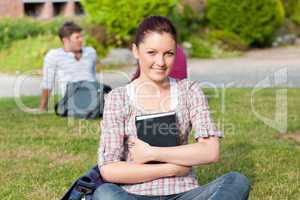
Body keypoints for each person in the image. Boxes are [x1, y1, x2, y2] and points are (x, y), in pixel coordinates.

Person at [93, 16, 250, 200]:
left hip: (184, 193)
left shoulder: (189, 90)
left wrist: (152, 153)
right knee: (105, 194)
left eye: (169, 53)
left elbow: (210, 151)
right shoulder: (118, 98)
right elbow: (110, 169)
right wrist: (172, 168)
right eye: (152, 52)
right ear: (136, 51)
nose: (161, 62)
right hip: (133, 195)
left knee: (236, 181)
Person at [38, 21, 97, 111]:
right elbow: (47, 82)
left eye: (81, 36)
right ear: (66, 40)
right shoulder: (54, 55)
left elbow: (93, 76)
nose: (81, 40)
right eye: (77, 37)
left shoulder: (90, 52)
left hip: (93, 94)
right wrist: (42, 107)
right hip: (72, 97)